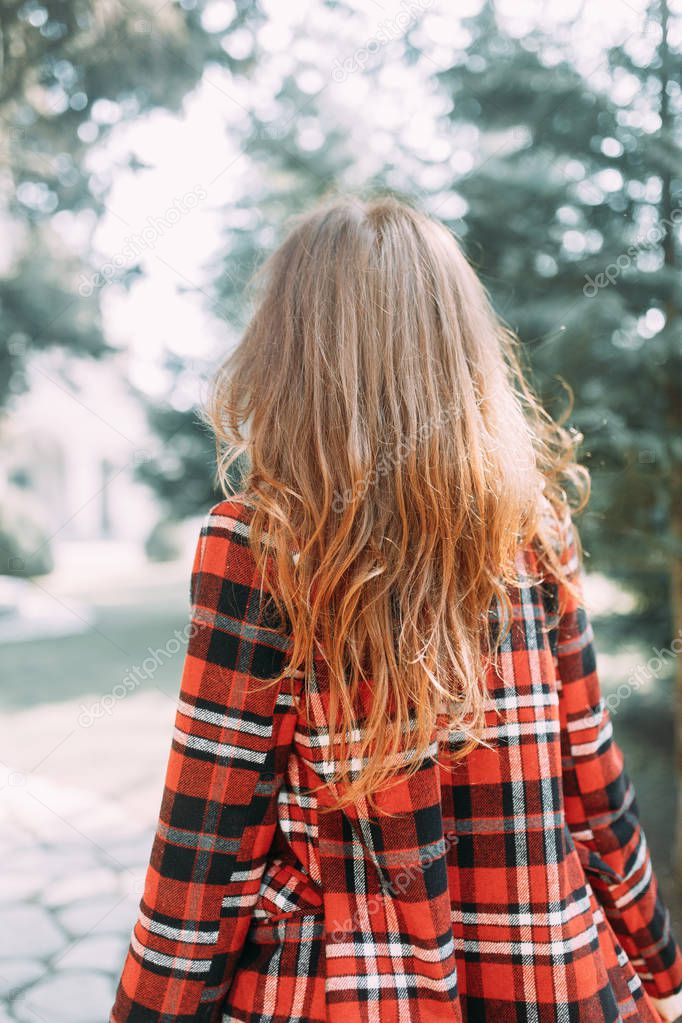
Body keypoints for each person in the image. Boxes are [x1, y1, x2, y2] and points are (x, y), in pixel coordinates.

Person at [110, 195, 682, 1023]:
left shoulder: (259, 542)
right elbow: (594, 784)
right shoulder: (534, 527)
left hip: (340, 986)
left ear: (292, 356)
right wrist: (660, 966)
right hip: (542, 974)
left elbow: (209, 837)